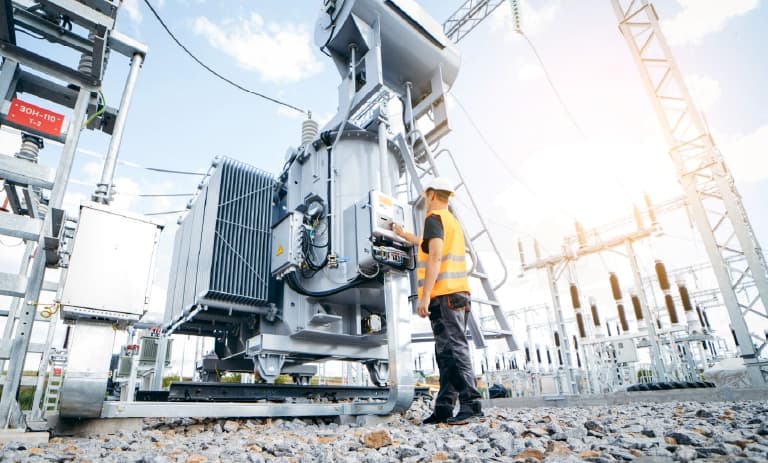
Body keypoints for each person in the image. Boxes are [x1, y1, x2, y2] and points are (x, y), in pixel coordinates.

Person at [392, 177, 483, 425]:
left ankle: (472, 405)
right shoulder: (450, 221)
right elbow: (425, 244)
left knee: (454, 350)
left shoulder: (433, 219)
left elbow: (434, 256)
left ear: (431, 194)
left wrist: (424, 297)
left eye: (425, 195)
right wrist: (402, 234)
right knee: (446, 353)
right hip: (458, 295)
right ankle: (444, 408)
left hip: (444, 295)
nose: (424, 200)